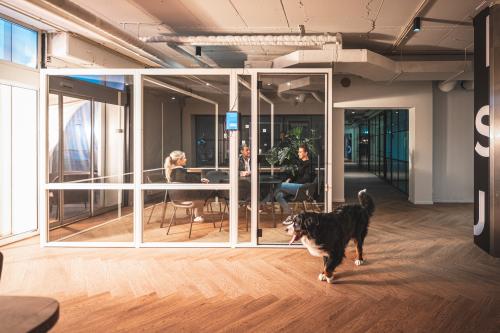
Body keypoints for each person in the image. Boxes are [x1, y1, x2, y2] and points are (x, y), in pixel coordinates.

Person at [164, 150, 209, 222]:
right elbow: (193, 180)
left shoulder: (170, 173)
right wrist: (201, 181)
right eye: (184, 158)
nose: (186, 159)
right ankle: (198, 215)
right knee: (204, 191)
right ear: (179, 160)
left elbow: (191, 180)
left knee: (199, 191)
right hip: (188, 200)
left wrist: (199, 181)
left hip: (175, 199)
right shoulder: (182, 173)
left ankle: (198, 215)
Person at [274, 144, 316, 214]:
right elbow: (295, 175)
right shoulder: (300, 163)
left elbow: (306, 179)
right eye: (298, 152)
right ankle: (289, 212)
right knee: (278, 195)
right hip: (296, 186)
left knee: (279, 185)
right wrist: (289, 179)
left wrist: (292, 184)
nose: (298, 153)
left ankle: (262, 203)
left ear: (306, 153)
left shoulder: (309, 164)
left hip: (303, 187)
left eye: (300, 152)